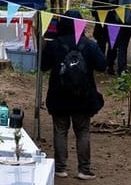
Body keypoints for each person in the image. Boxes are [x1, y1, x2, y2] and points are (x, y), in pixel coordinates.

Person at [42, 13, 107, 180]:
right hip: (83, 96)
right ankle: (84, 169)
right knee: (83, 131)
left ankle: (60, 168)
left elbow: (43, 66)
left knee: (60, 130)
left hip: (59, 95)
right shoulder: (89, 45)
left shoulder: (55, 44)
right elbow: (102, 65)